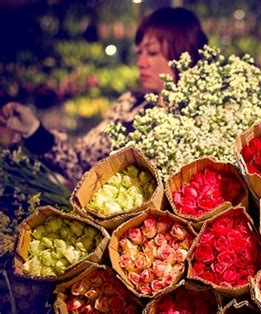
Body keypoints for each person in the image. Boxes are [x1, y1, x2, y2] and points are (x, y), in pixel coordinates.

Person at [0, 7, 208, 185]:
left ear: (183, 54)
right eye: (139, 52)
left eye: (152, 52)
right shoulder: (130, 105)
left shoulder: (206, 116)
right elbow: (80, 161)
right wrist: (33, 130)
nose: (141, 62)